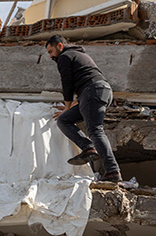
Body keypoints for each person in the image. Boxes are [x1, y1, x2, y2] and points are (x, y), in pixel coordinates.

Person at [46, 35, 122, 183]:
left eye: (51, 51)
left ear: (60, 46)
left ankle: (113, 171)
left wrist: (67, 106)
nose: (50, 56)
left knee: (95, 130)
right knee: (64, 120)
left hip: (93, 91)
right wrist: (79, 100)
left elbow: (67, 83)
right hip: (100, 91)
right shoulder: (79, 54)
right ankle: (88, 148)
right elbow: (85, 77)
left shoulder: (65, 56)